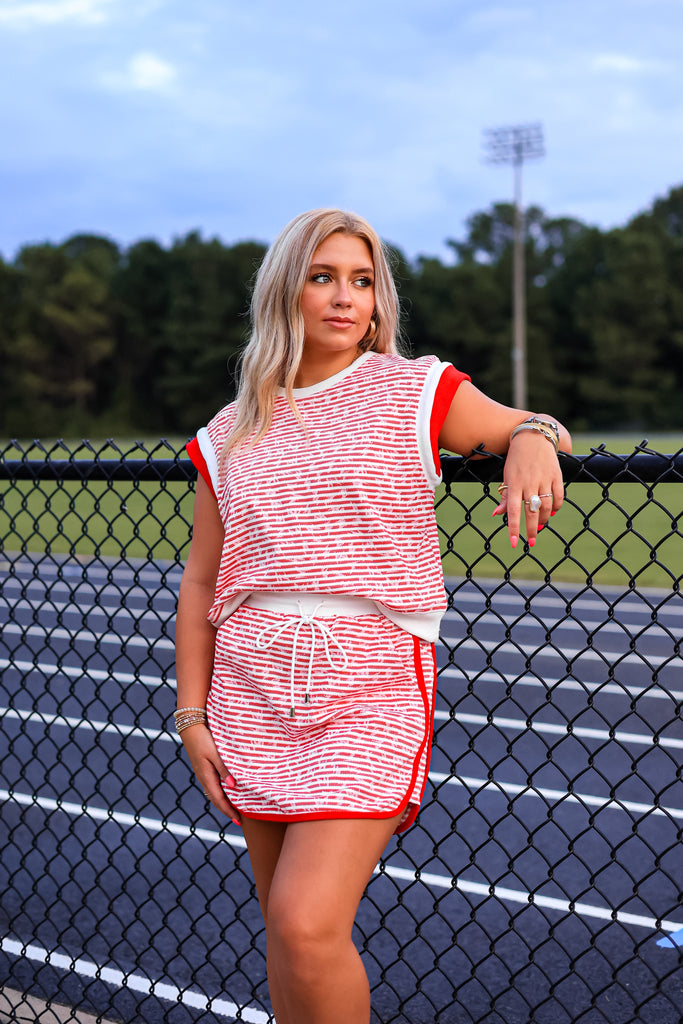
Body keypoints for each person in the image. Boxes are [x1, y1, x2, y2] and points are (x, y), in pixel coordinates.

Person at [174, 207, 571, 1024]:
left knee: (305, 923)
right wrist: (192, 716)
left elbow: (520, 426)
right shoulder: (228, 430)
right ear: (285, 292)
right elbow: (200, 586)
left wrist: (528, 434)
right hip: (249, 690)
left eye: (361, 281)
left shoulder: (412, 389)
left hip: (369, 684)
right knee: (284, 937)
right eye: (321, 277)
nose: (344, 297)